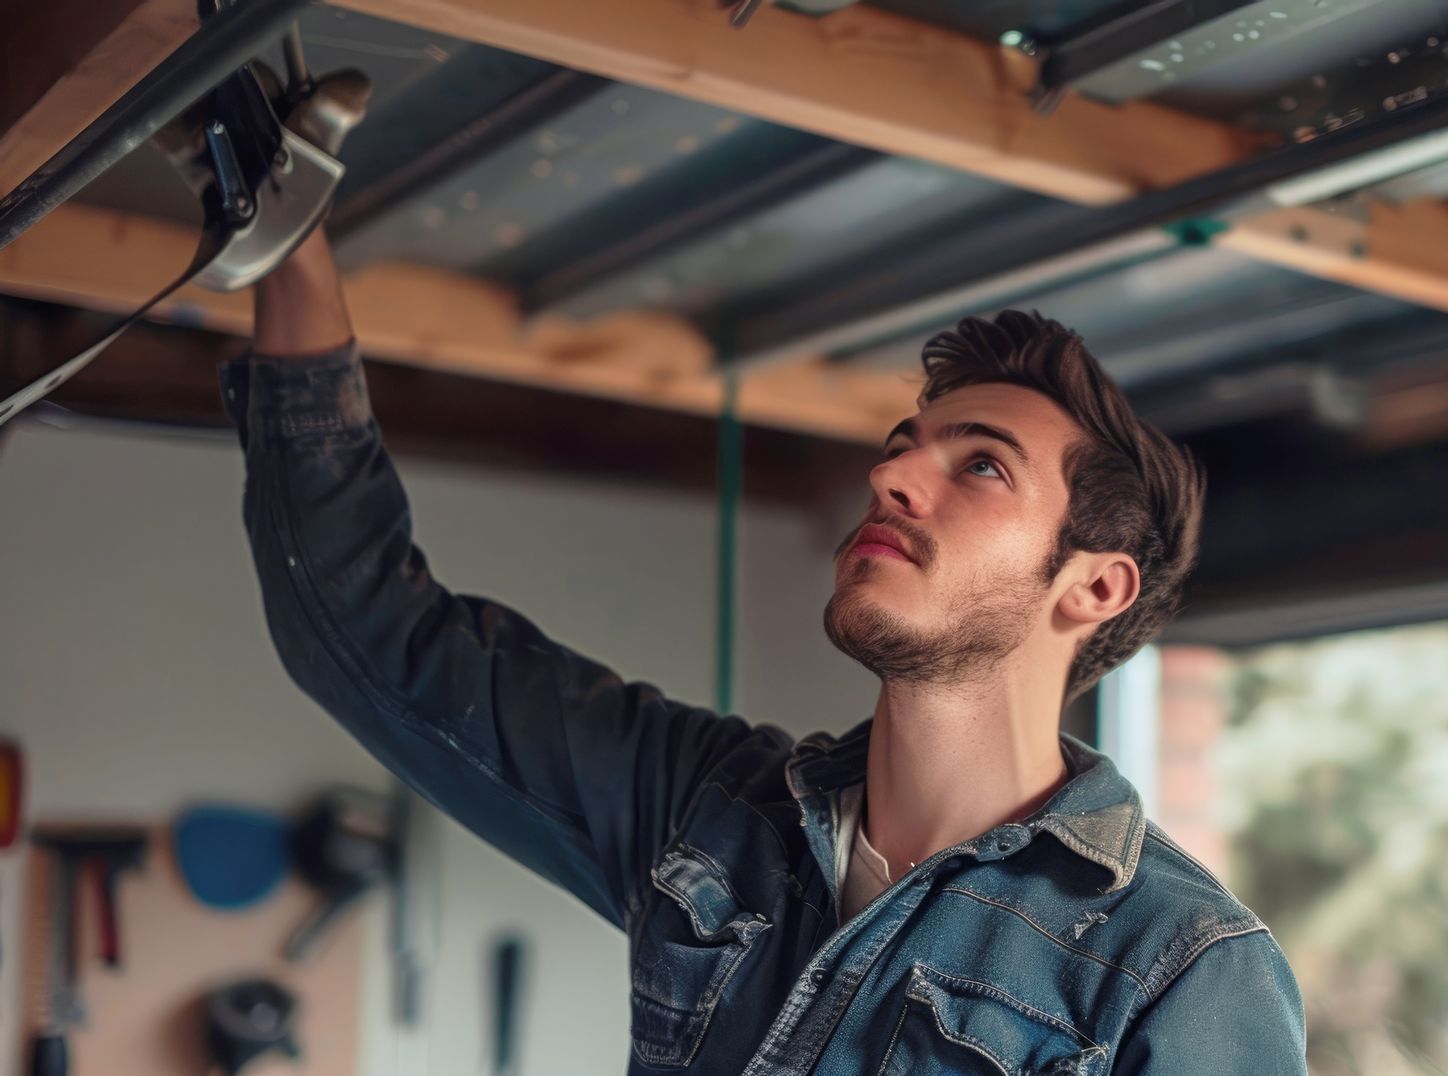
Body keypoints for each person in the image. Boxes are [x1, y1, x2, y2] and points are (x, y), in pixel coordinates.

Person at [227, 224, 1307, 1074]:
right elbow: (364, 630)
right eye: (903, 448)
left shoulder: (1181, 966)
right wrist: (292, 255)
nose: (892, 476)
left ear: (1095, 583)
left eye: (980, 466)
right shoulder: (709, 810)